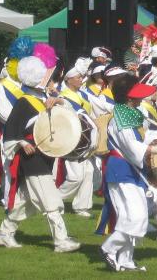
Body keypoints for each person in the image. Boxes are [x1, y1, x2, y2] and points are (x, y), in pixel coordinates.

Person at [0, 55, 80, 252]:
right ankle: (61, 240)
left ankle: (4, 233)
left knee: (27, 203)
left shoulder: (43, 99)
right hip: (32, 159)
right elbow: (11, 132)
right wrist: (23, 143)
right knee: (51, 200)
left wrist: (57, 101)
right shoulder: (24, 102)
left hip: (44, 156)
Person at [100, 74, 157, 272]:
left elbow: (140, 136)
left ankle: (126, 260)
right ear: (129, 97)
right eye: (137, 95)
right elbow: (131, 146)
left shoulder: (127, 114)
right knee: (137, 217)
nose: (141, 98)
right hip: (122, 170)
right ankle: (108, 248)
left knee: (128, 217)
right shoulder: (121, 119)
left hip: (129, 169)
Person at [58, 58, 97, 217]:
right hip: (73, 139)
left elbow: (98, 106)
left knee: (88, 172)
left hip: (86, 140)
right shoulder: (63, 96)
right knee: (75, 177)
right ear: (68, 79)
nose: (82, 80)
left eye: (82, 77)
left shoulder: (83, 94)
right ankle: (54, 199)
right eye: (78, 77)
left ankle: (82, 206)